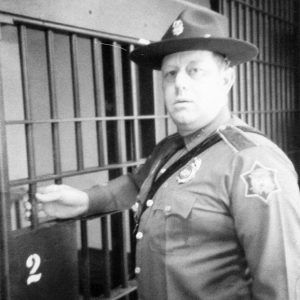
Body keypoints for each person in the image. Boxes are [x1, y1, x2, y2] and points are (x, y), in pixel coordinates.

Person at [35, 7, 300, 300]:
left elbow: (282, 286)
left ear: (226, 80)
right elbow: (137, 185)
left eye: (195, 70)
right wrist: (84, 201)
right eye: (171, 74)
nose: (180, 83)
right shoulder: (171, 148)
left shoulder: (253, 162)